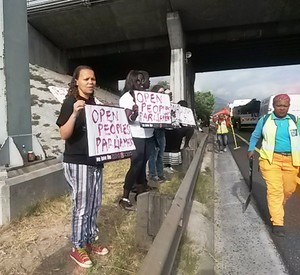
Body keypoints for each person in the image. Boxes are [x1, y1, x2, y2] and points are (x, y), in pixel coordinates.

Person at [56, 65, 109, 269]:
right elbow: (64, 134)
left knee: (94, 203)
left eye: (93, 79)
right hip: (78, 161)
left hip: (96, 161)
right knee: (82, 205)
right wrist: (74, 114)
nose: (90, 82)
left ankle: (89, 239)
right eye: (86, 79)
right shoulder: (70, 102)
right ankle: (76, 247)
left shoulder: (96, 103)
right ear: (76, 81)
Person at [248, 93, 300, 237]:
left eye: (285, 106)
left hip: (292, 161)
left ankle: (277, 207)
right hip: (270, 160)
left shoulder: (295, 120)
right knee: (275, 190)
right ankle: (278, 222)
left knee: (289, 189)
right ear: (274, 106)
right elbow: (255, 135)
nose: (282, 108)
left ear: (289, 107)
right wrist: (251, 148)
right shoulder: (265, 120)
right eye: (279, 105)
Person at [118, 70, 154, 210]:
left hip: (148, 134)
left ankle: (140, 191)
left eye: (141, 81)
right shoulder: (126, 98)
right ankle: (125, 196)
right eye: (137, 81)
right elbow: (127, 118)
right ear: (131, 81)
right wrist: (134, 113)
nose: (140, 83)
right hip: (135, 134)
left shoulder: (147, 96)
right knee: (136, 164)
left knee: (143, 162)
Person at [148, 85, 167, 182]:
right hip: (153, 130)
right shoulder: (151, 104)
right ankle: (152, 174)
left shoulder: (166, 104)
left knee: (161, 154)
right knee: (153, 154)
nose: (163, 94)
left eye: (164, 92)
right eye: (161, 92)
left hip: (162, 130)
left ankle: (160, 173)